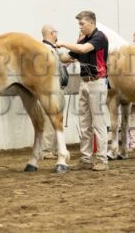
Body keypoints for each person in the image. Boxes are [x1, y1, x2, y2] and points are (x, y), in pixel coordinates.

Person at [56, 11, 109, 171]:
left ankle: (102, 159)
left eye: (82, 23)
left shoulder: (99, 37)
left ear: (91, 23)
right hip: (84, 83)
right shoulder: (83, 40)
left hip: (97, 83)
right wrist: (53, 49)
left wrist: (64, 43)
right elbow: (66, 58)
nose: (80, 26)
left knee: (98, 123)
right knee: (84, 123)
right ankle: (86, 159)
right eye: (79, 24)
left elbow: (84, 49)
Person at [40, 24, 60, 160]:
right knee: (48, 119)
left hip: (55, 88)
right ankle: (46, 150)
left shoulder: (52, 49)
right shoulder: (44, 49)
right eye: (56, 32)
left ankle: (54, 149)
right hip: (49, 89)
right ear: (51, 33)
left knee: (55, 119)